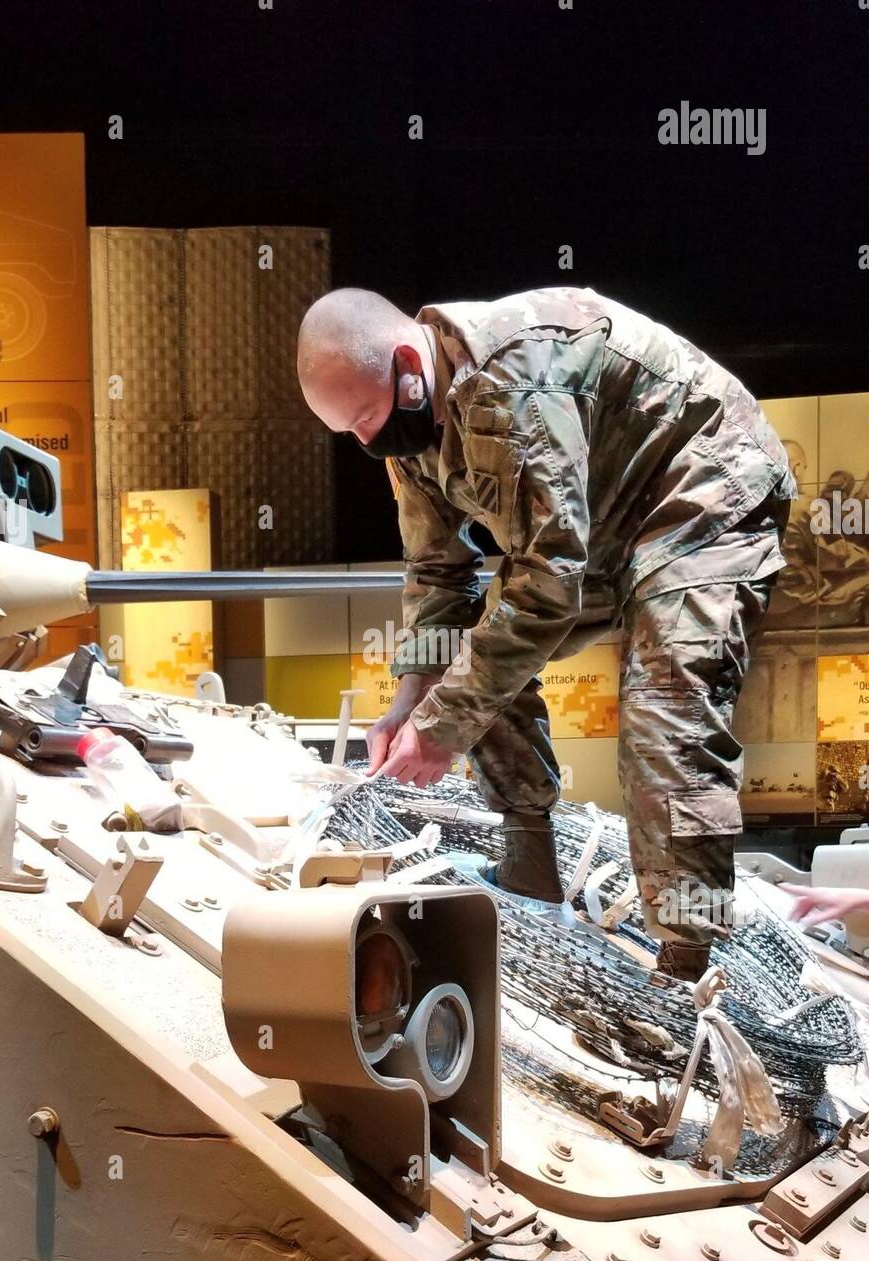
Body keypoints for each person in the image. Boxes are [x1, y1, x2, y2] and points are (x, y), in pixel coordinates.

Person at [297, 286, 796, 981]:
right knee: (463, 662)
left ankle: (688, 966)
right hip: (601, 526)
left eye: (369, 416)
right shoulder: (406, 430)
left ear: (409, 363)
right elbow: (440, 575)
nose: (367, 439)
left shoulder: (513, 380)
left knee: (668, 705)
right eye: (350, 429)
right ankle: (529, 861)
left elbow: (548, 587)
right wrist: (412, 701)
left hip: (702, 488)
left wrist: (443, 727)